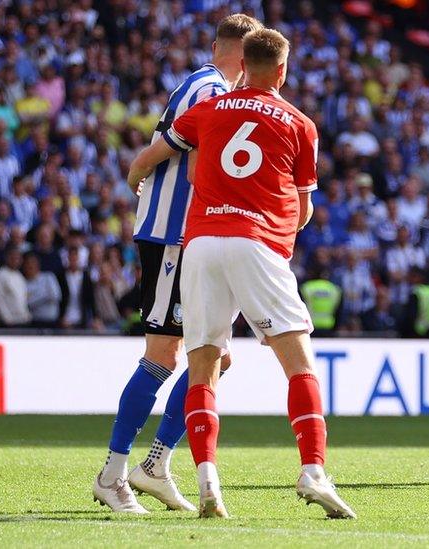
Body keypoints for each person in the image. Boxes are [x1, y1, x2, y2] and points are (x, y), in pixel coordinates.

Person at [126, 28, 355, 519]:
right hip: (258, 243)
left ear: (243, 65)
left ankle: (208, 483)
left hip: (202, 243)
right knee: (299, 364)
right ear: (282, 70)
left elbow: (178, 166)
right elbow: (304, 210)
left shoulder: (208, 110)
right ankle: (313, 470)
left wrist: (138, 179)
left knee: (204, 367)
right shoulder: (300, 123)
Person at [93, 13, 263, 514]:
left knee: (216, 357)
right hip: (173, 236)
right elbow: (168, 148)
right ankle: (112, 473)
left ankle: (156, 465)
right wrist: (136, 171)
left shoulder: (221, 92)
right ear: (239, 52)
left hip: (197, 239)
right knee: (164, 354)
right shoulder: (207, 86)